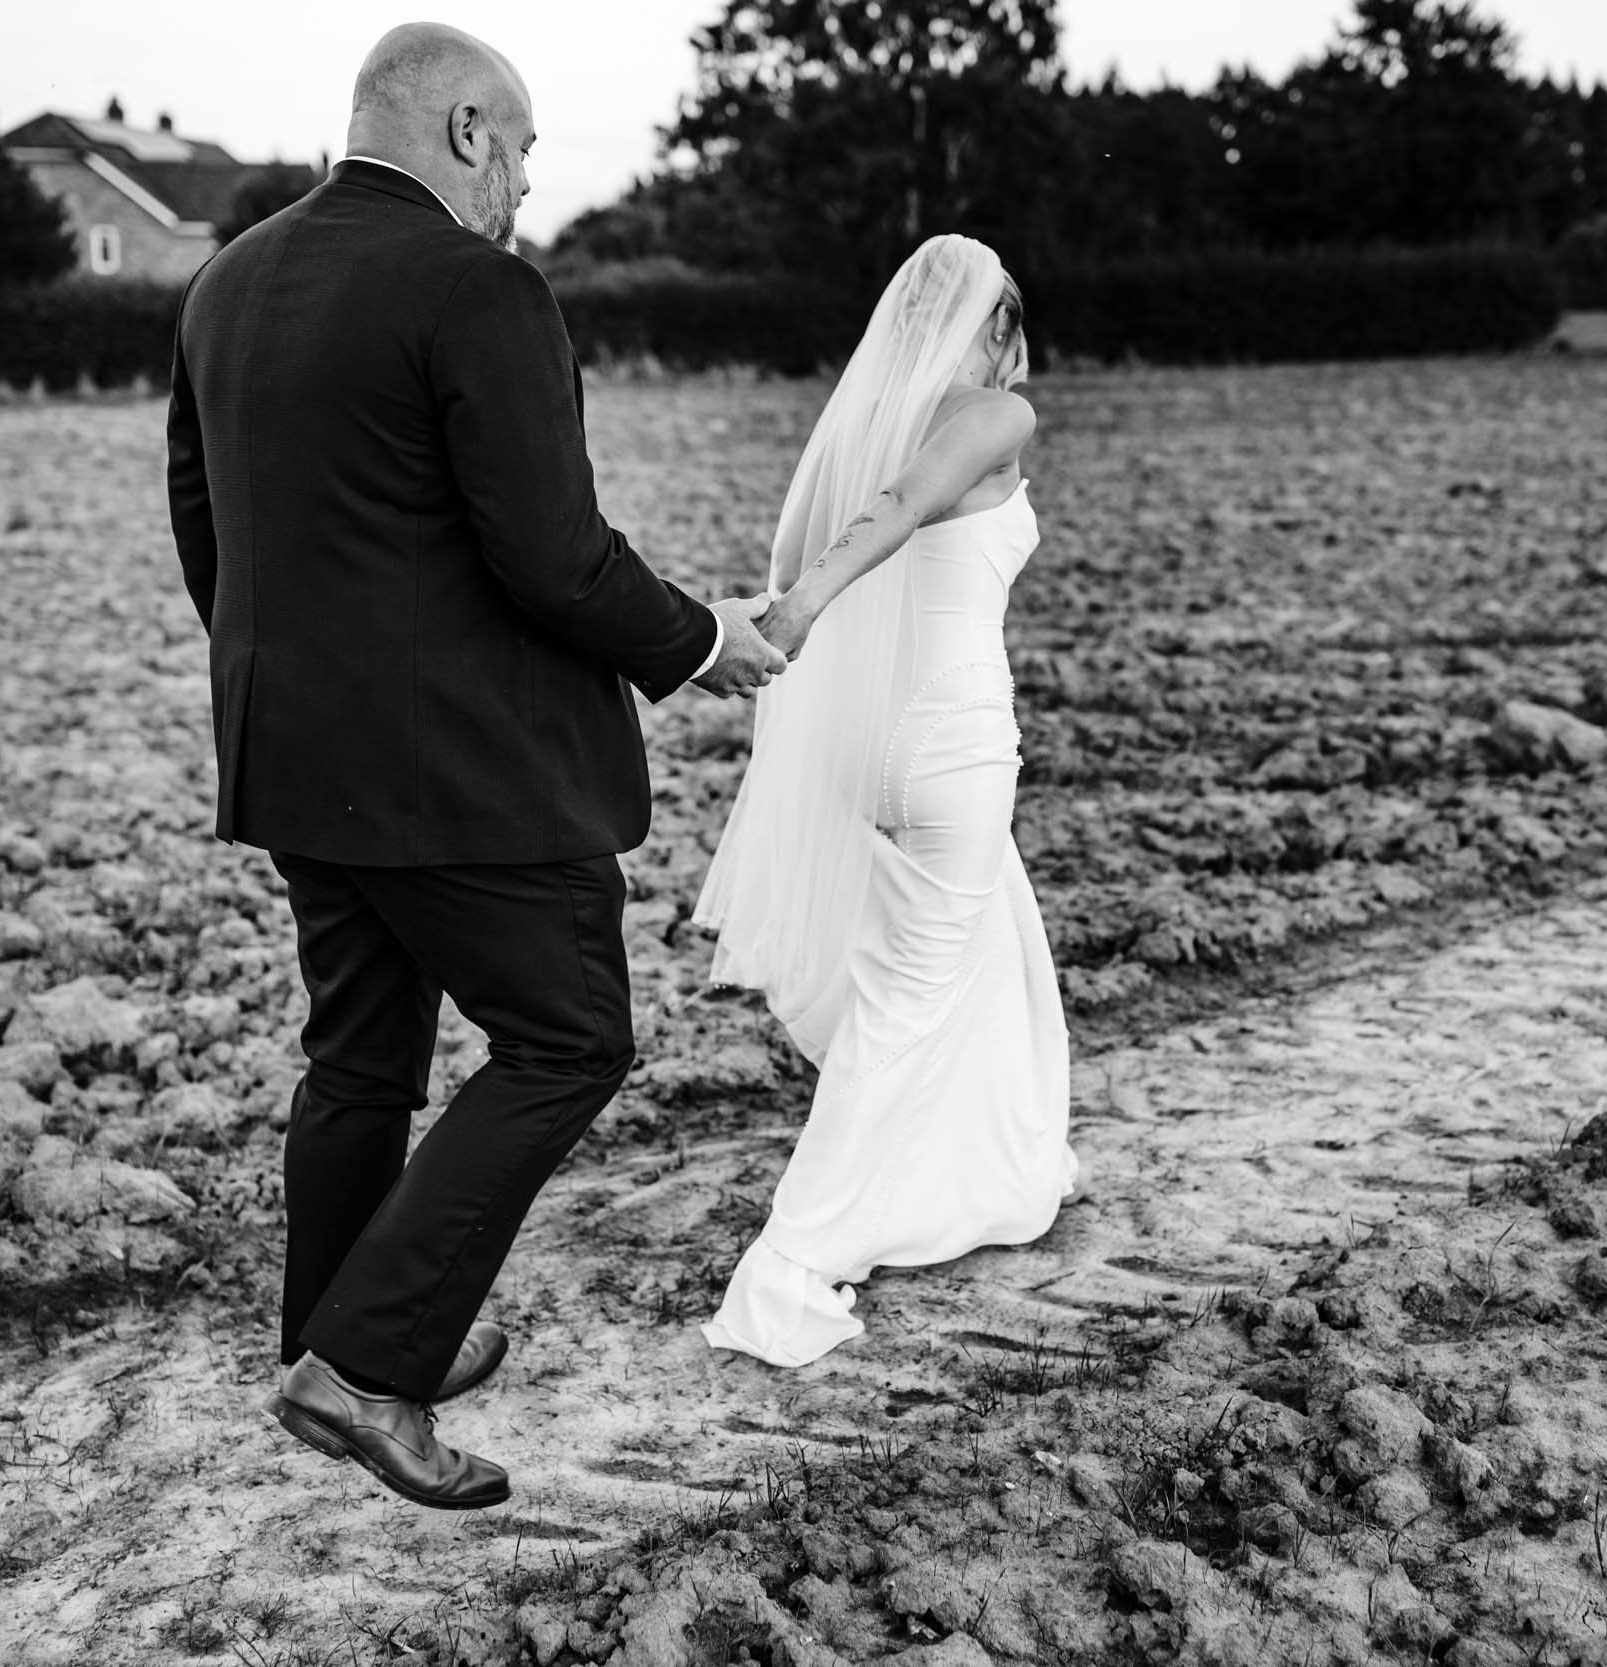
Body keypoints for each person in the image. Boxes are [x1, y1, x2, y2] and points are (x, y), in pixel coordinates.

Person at [164, 22, 786, 1511]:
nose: (524, 183)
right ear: (459, 132)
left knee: (360, 1056)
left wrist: (306, 682)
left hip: (295, 754)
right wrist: (707, 638)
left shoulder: (225, 282)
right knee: (571, 1036)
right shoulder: (475, 285)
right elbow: (553, 556)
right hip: (469, 778)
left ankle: (339, 1335)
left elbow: (210, 534)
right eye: (517, 149)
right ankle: (367, 1368)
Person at [694, 234, 1077, 1368]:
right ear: (996, 322)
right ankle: (790, 1265)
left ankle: (1000, 1169)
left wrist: (780, 598)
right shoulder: (994, 418)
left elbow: (861, 524)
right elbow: (908, 509)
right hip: (951, 746)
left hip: (873, 749)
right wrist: (800, 611)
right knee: (908, 1000)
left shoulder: (870, 419)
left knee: (996, 942)